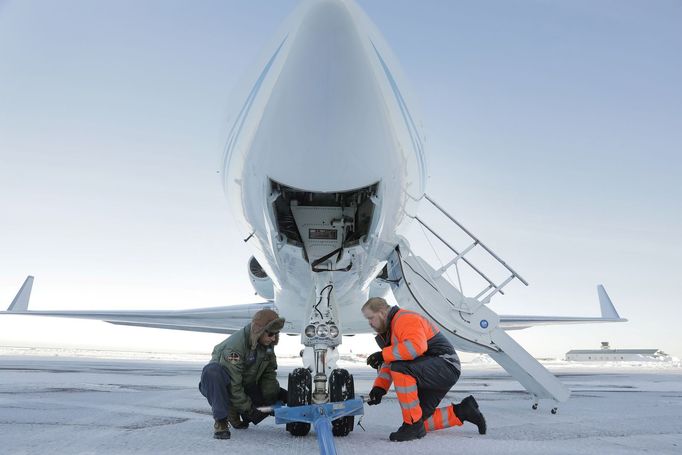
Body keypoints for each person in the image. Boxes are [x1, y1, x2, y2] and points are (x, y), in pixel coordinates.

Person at [362, 297, 486, 442]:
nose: (369, 323)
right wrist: (379, 388)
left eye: (370, 318)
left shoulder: (404, 319)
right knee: (421, 421)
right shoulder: (392, 330)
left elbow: (416, 347)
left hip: (445, 365)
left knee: (401, 370)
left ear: (382, 312)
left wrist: (383, 354)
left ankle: (412, 425)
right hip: (433, 369)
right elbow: (393, 359)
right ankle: (463, 411)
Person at [198, 308, 288, 439]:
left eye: (276, 334)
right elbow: (234, 384)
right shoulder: (235, 347)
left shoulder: (266, 345)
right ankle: (222, 420)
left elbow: (269, 376)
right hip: (220, 386)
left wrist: (271, 400)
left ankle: (235, 412)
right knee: (213, 372)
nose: (273, 338)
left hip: (245, 382)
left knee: (280, 397)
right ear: (259, 330)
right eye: (270, 334)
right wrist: (249, 409)